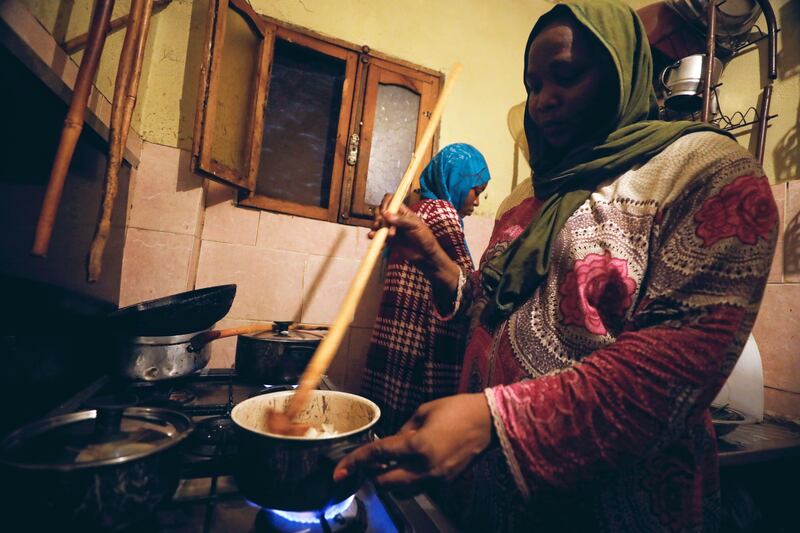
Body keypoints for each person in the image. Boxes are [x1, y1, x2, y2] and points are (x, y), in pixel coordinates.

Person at [336, 1, 778, 531]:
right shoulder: (528, 198)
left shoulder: (703, 172)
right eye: (533, 84)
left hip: (616, 504)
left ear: (620, 69)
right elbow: (493, 308)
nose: (543, 101)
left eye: (566, 76)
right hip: (494, 498)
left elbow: (680, 361)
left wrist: (497, 421)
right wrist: (434, 258)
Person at [362, 143, 490, 435]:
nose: (477, 202)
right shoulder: (442, 212)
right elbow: (467, 289)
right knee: (414, 437)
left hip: (392, 344)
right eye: (476, 190)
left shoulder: (415, 210)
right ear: (456, 180)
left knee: (383, 433)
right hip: (422, 351)